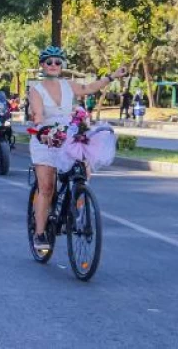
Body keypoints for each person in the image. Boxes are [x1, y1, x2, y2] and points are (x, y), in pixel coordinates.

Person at [29, 46, 126, 250]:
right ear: (42, 65)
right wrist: (42, 131)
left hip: (69, 135)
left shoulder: (68, 85)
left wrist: (112, 76)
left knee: (83, 171)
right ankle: (39, 233)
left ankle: (73, 207)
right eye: (50, 62)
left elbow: (89, 88)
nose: (54, 65)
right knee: (46, 187)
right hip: (46, 137)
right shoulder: (35, 89)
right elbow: (37, 114)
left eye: (58, 62)